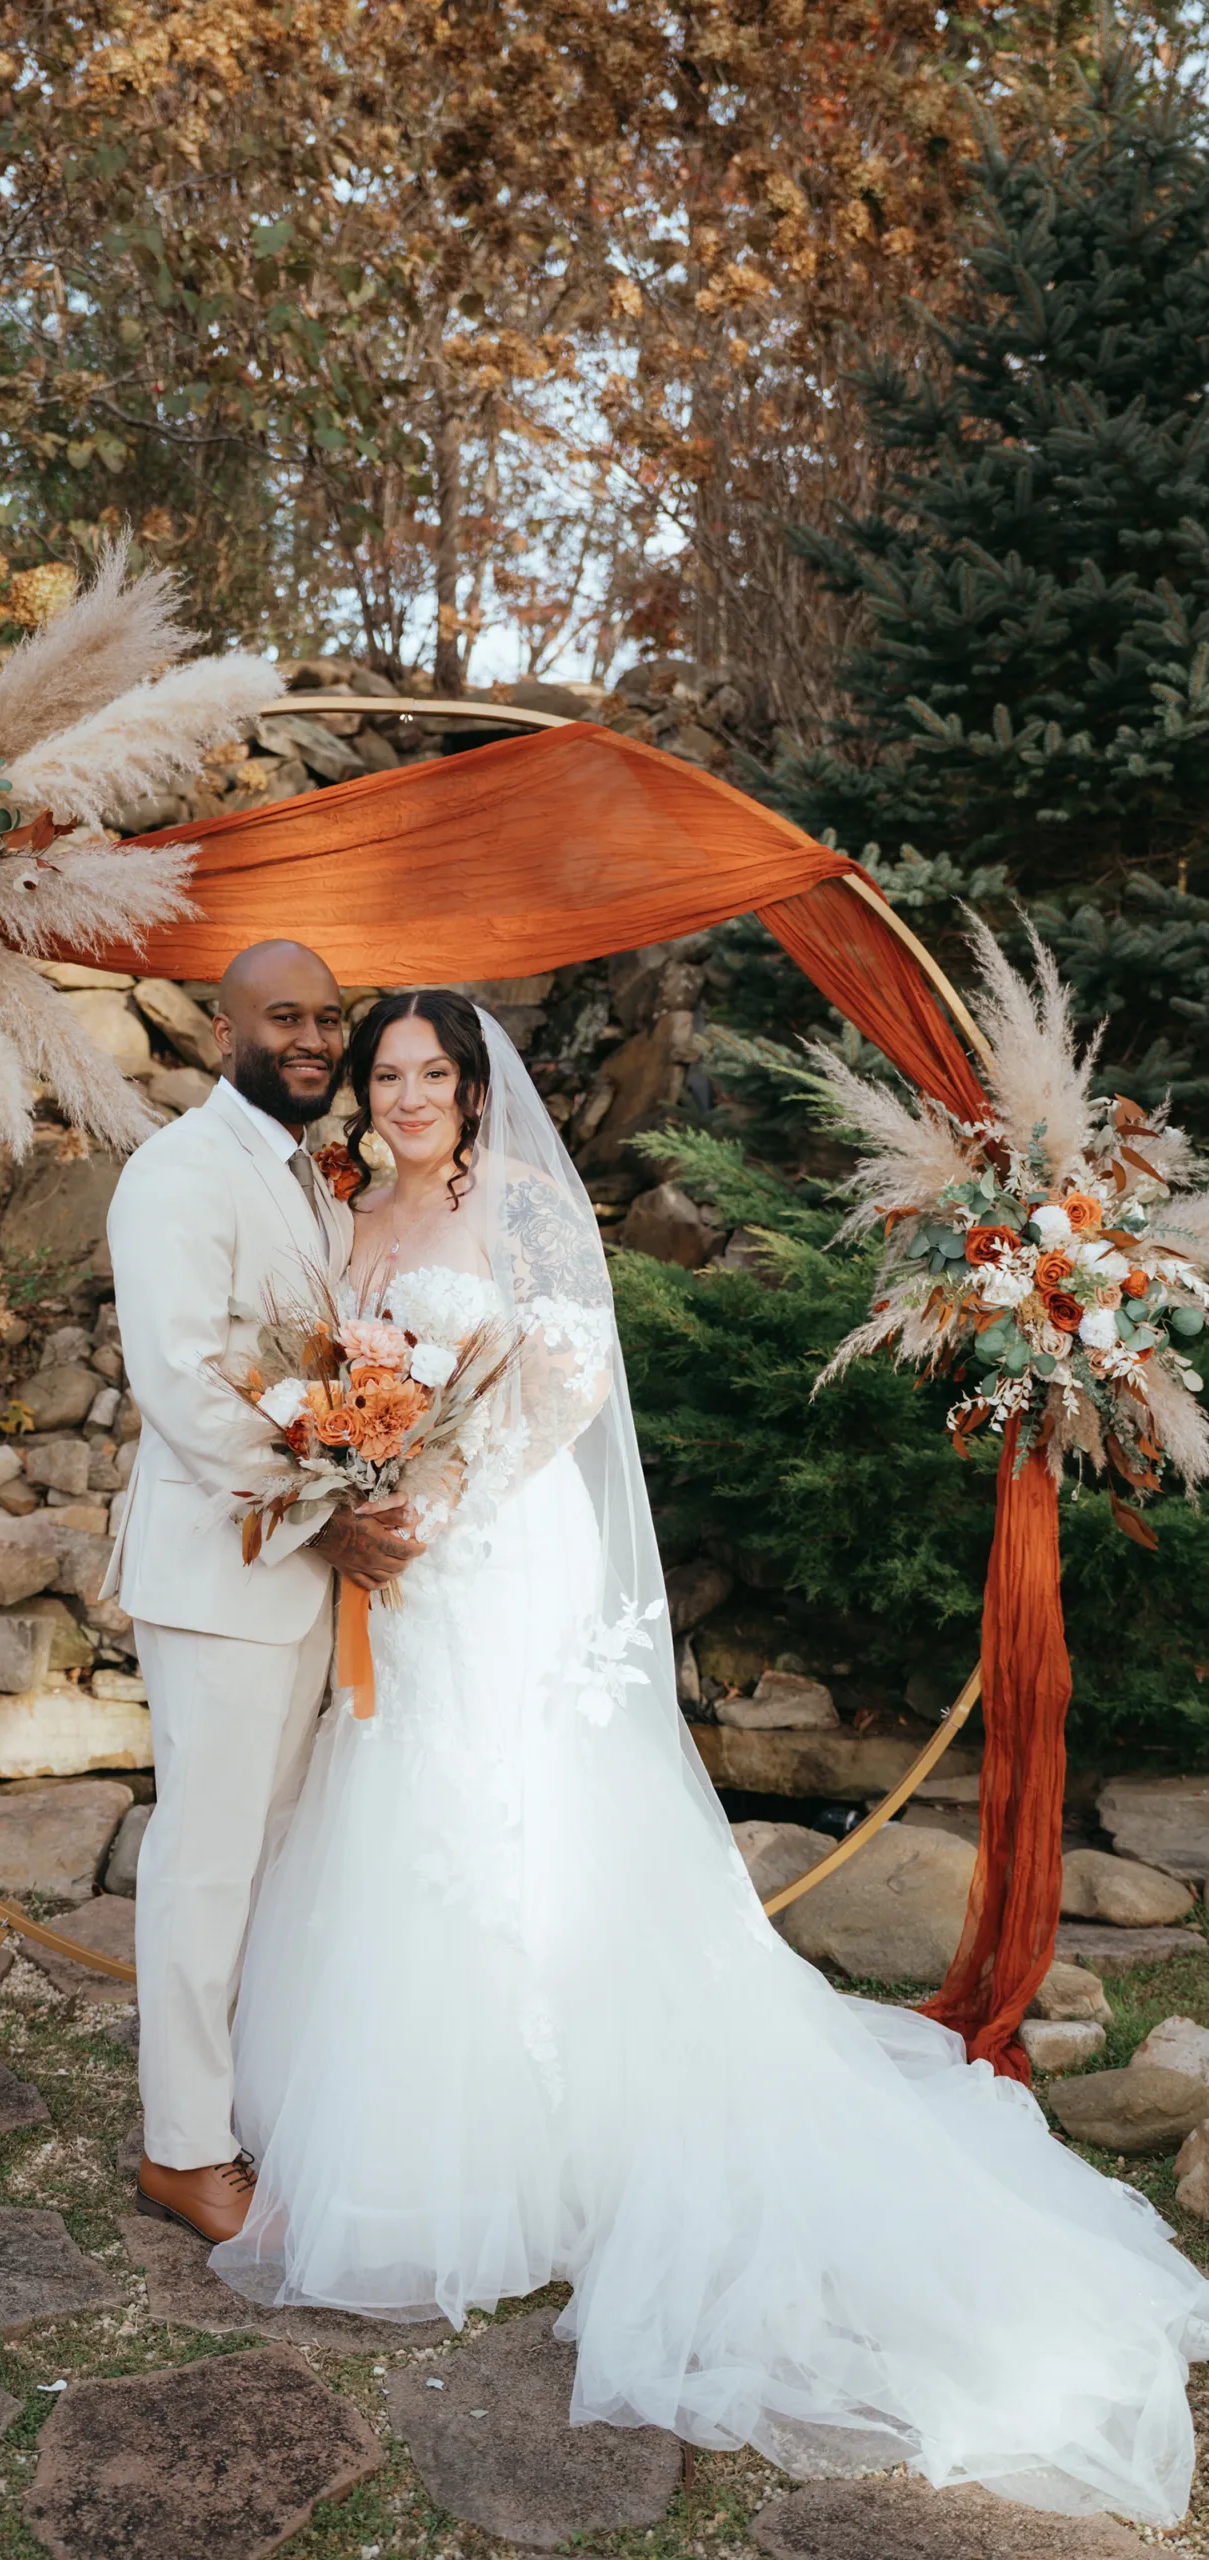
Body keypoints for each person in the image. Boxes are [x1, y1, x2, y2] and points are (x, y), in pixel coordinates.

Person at [209, 985, 1209, 2525]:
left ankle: (574, 2132)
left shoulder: (528, 1206)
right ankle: (448, 2137)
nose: (407, 1096)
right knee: (407, 1804)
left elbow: (569, 1385)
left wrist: (440, 1485)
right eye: (386, 1072)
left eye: (433, 1073)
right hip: (400, 1567)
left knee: (525, 1811)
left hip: (497, 1552)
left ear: (478, 1089)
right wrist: (365, 1473)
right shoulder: (350, 1204)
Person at [104, 939, 422, 2243]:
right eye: (281, 1016)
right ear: (220, 1027)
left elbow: (307, 1368)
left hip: (293, 1576)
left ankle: (242, 2103)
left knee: (270, 1859)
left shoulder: (308, 1178)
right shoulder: (177, 1175)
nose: (309, 1038)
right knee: (206, 1862)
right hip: (225, 1577)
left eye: (327, 1019)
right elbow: (182, 1385)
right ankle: (182, 2153)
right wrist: (334, 1521)